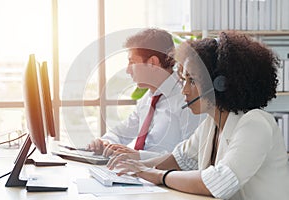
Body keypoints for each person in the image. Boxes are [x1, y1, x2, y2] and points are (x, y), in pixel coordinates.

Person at [107, 31, 289, 199]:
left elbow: (218, 182)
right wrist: (136, 167)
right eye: (184, 80)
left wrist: (154, 175)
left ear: (220, 84)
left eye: (192, 80)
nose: (184, 90)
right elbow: (178, 159)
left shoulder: (255, 124)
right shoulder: (211, 125)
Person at [88, 28, 202, 160]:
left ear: (152, 62)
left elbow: (190, 159)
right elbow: (122, 132)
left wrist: (137, 157)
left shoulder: (187, 99)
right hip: (139, 174)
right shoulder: (149, 98)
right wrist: (105, 142)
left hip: (164, 178)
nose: (128, 70)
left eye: (132, 62)